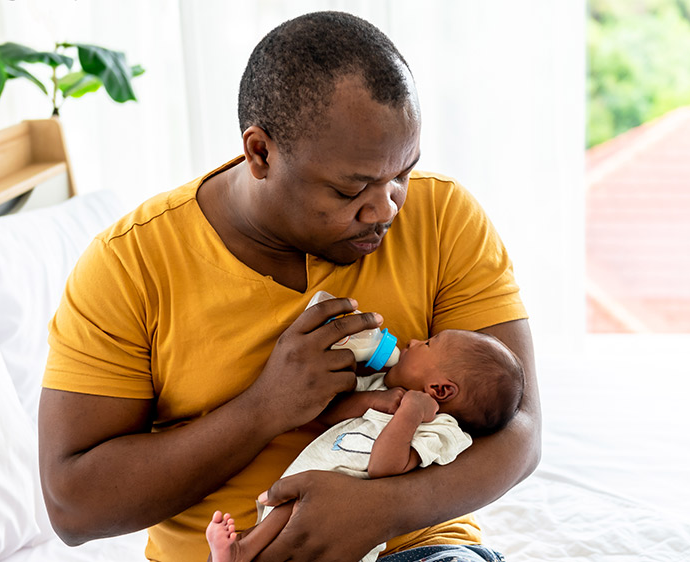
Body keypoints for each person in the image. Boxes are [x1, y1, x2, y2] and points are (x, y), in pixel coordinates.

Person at [39, 10, 540, 562]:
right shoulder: (130, 264)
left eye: (402, 172)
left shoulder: (444, 215)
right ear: (260, 153)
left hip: (417, 548)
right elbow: (73, 508)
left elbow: (521, 432)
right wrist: (264, 408)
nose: (387, 207)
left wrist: (380, 510)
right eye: (352, 188)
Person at [205, 329, 526, 562]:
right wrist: (373, 399)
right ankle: (241, 550)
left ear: (440, 389)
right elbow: (326, 415)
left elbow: (384, 467)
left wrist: (409, 414)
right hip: (306, 485)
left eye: (427, 344)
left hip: (354, 520)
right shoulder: (382, 385)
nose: (413, 341)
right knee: (286, 510)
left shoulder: (443, 429)